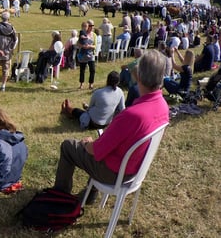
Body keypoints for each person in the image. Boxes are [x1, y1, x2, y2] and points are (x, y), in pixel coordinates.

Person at [52, 49, 169, 202]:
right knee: (100, 145)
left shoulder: (132, 115)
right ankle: (90, 195)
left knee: (68, 146)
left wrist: (87, 143)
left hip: (115, 172)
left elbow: (95, 150)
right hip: (137, 169)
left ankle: (60, 195)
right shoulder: (163, 106)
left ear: (138, 76)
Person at [61, 71, 125, 130]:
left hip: (92, 122)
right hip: (106, 123)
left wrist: (86, 107)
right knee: (85, 111)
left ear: (107, 80)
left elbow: (90, 107)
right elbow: (122, 109)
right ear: (118, 82)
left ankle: (67, 109)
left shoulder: (98, 92)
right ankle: (68, 111)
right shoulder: (120, 92)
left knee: (78, 112)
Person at [77, 20, 97, 90]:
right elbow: (78, 44)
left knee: (92, 70)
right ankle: (81, 84)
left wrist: (89, 46)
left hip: (91, 55)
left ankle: (91, 84)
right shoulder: (82, 33)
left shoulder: (94, 35)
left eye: (93, 26)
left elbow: (95, 46)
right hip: (83, 54)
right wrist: (83, 46)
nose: (92, 27)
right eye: (90, 25)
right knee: (82, 70)